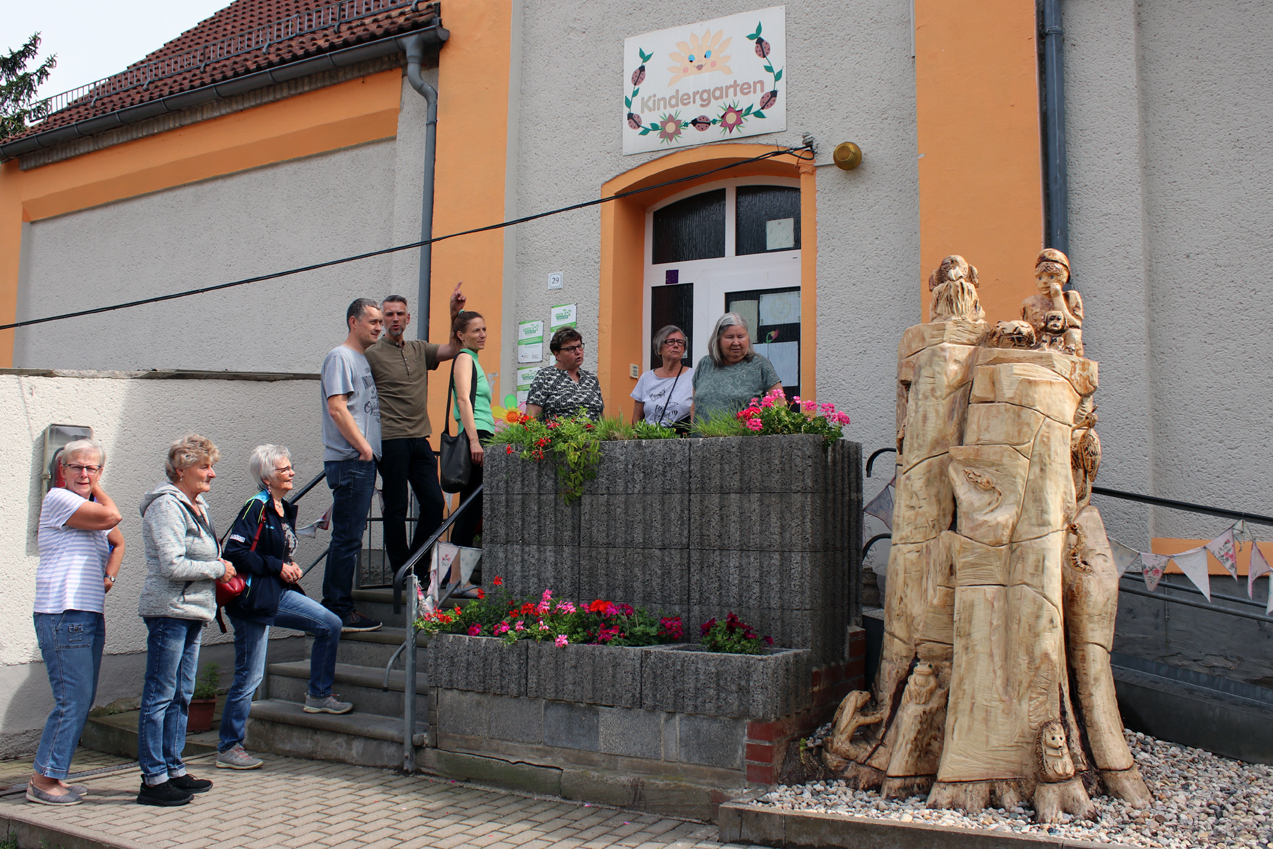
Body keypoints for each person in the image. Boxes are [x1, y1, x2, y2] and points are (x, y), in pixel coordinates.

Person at [217, 445, 352, 771]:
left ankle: (318, 695)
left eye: (290, 467)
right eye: (283, 469)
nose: (291, 473)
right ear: (266, 478)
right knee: (249, 676)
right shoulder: (256, 507)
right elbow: (234, 553)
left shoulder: (281, 508)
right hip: (251, 601)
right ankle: (229, 746)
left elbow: (274, 550)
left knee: (329, 623)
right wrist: (278, 566)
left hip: (275, 593)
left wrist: (286, 566)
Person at [136, 434, 234, 807]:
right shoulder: (166, 505)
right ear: (181, 470)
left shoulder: (197, 504)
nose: (211, 473)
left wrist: (216, 565)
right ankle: (153, 778)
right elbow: (171, 563)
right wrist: (218, 568)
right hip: (169, 611)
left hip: (193, 609)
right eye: (204, 467)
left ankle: (174, 768)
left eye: (211, 466)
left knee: (182, 693)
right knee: (160, 694)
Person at [27, 439, 124, 806]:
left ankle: (54, 776)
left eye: (92, 468)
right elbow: (113, 518)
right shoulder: (59, 499)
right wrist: (99, 488)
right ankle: (41, 781)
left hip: (86, 612)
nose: (84, 474)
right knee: (72, 699)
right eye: (77, 467)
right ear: (62, 472)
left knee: (80, 698)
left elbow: (118, 541)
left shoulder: (85, 508)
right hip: (63, 612)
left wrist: (108, 578)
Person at [365, 286, 467, 574]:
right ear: (382, 320)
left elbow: (453, 348)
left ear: (408, 318)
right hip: (390, 439)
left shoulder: (419, 349)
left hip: (420, 438)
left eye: (400, 314)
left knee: (435, 504)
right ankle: (401, 570)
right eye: (389, 315)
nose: (395, 319)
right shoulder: (371, 353)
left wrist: (454, 313)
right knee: (396, 508)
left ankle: (417, 566)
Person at [321, 298, 384, 632]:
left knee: (350, 538)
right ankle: (337, 609)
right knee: (346, 540)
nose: (378, 327)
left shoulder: (361, 359)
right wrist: (363, 447)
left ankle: (339, 607)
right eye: (372, 321)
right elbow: (337, 408)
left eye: (380, 323)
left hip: (359, 461)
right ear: (353, 321)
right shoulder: (340, 357)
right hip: (350, 461)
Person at [449, 311, 494, 549]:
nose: (482, 334)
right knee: (470, 508)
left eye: (484, 329)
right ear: (461, 335)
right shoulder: (465, 358)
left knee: (473, 508)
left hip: (481, 434)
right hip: (475, 435)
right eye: (476, 330)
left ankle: (457, 576)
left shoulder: (473, 359)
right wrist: (474, 440)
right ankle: (456, 577)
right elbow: (463, 401)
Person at [691, 313, 783, 419]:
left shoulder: (760, 364)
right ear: (718, 340)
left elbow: (779, 406)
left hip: (743, 435)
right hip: (703, 435)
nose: (736, 342)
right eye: (730, 337)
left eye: (741, 337)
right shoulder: (705, 364)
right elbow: (694, 407)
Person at [525, 327, 604, 421]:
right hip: (557, 434)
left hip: (593, 435)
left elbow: (601, 418)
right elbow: (531, 418)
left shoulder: (591, 379)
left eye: (579, 346)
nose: (578, 352)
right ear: (557, 354)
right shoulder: (545, 376)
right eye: (571, 349)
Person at [1020, 248, 1083, 356]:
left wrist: (1057, 298)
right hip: (1037, 348)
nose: (1044, 281)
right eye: (1039, 278)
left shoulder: (1070, 297)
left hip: (1062, 346)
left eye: (1051, 277)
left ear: (1063, 278)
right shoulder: (1029, 302)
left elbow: (1075, 325)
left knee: (1073, 333)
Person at [631, 325, 694, 431]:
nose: (676, 345)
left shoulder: (694, 376)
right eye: (670, 341)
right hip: (649, 439)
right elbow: (636, 419)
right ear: (659, 349)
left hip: (681, 439)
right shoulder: (646, 378)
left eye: (680, 342)